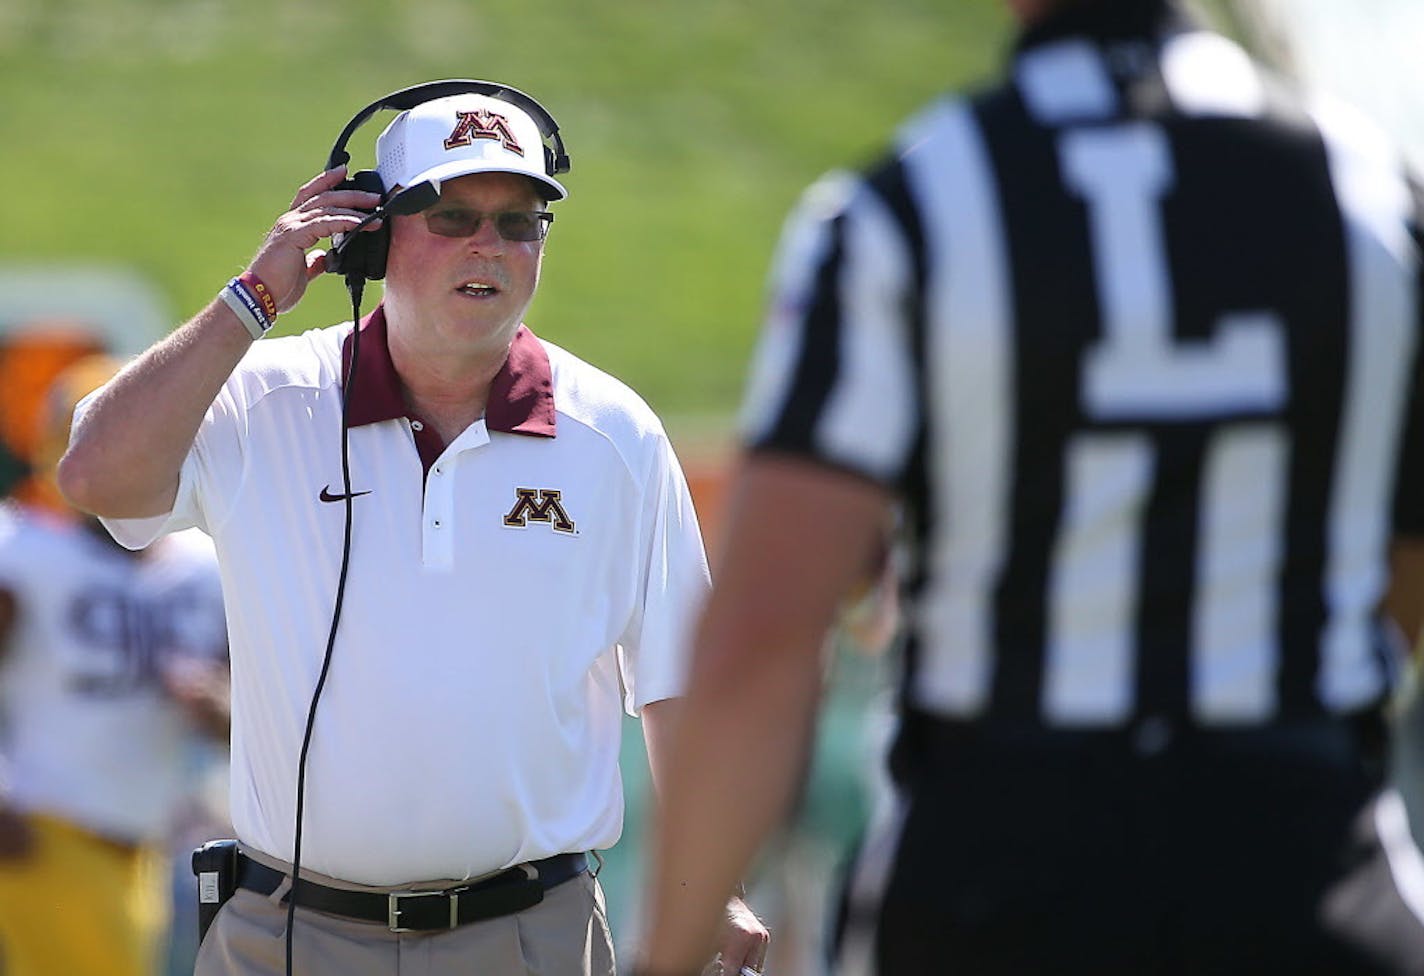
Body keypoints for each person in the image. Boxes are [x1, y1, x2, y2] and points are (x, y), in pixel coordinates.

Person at [638, 0, 1424, 973]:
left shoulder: (904, 208)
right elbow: (1400, 568)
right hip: (1307, 867)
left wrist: (665, 957)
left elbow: (762, 638)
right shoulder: (1373, 193)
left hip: (993, 873)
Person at [57, 81, 768, 976]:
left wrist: (719, 887)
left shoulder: (615, 435)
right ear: (371, 236)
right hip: (285, 932)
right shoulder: (259, 397)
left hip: (528, 934)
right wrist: (252, 298)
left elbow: (680, 688)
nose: (491, 245)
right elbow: (94, 478)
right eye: (453, 213)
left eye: (521, 222)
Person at [0, 353, 230, 976]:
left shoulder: (204, 565)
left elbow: (265, 708)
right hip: (46, 836)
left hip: (148, 846)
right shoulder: (24, 555)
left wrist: (219, 707)